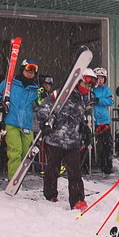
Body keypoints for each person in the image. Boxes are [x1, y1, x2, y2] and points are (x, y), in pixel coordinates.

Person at [38, 69, 96, 210]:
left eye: (90, 86)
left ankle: (77, 200)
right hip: (55, 139)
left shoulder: (83, 99)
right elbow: (44, 107)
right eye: (86, 84)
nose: (88, 88)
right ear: (78, 81)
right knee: (53, 169)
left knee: (75, 171)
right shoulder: (62, 93)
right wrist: (45, 122)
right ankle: (50, 195)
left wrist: (84, 130)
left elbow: (78, 118)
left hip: (73, 141)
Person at [0, 58, 39, 181]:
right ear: (23, 69)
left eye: (33, 72)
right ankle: (14, 180)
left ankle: (19, 178)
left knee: (26, 154)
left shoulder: (35, 89)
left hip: (27, 124)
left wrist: (42, 99)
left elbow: (39, 105)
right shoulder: (11, 83)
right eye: (28, 70)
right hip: (11, 122)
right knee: (15, 152)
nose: (30, 74)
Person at [92, 67, 115, 174]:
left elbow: (110, 102)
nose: (100, 80)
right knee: (92, 144)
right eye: (98, 78)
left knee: (107, 144)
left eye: (102, 78)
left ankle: (107, 166)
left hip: (103, 120)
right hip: (92, 120)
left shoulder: (106, 90)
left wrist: (99, 100)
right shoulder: (91, 89)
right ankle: (90, 164)